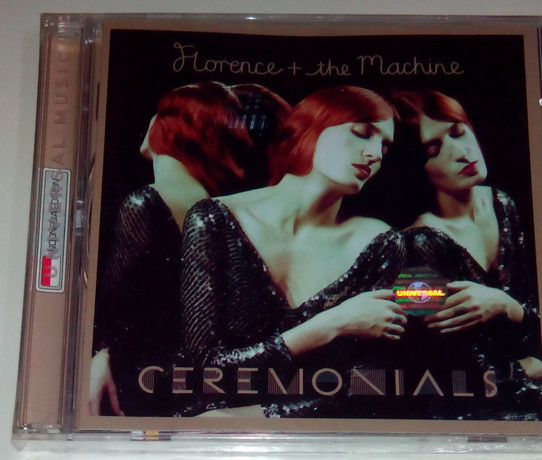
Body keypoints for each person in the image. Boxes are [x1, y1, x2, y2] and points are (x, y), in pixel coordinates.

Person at [180, 85, 407, 418]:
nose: (375, 154)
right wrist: (331, 324)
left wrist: (258, 418)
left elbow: (369, 385)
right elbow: (205, 367)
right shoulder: (214, 219)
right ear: (312, 126)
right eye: (362, 133)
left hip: (319, 434)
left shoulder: (379, 243)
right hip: (206, 431)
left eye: (384, 147)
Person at [90, 81, 291, 416]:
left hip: (138, 386)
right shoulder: (223, 212)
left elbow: (114, 309)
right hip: (199, 388)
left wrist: (100, 354)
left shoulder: (147, 202)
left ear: (173, 127)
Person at [386, 89, 542, 420]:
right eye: (434, 150)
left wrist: (507, 307)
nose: (461, 152)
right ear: (416, 166)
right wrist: (535, 366)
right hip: (471, 418)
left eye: (459, 132)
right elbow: (461, 379)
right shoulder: (416, 244)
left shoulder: (501, 203)